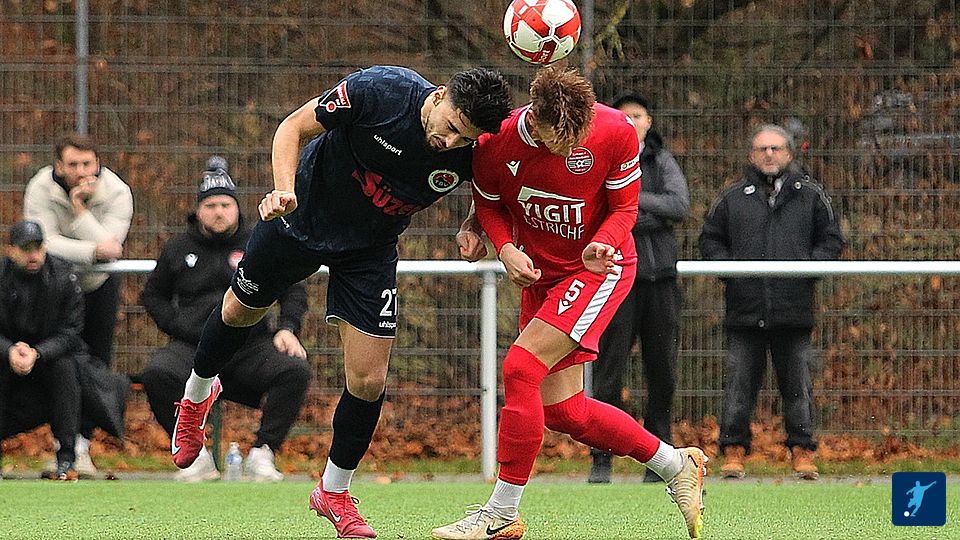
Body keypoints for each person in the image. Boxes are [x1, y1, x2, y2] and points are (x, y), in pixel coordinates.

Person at [168, 66, 512, 537]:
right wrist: (284, 188)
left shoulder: (475, 146)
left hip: (368, 250)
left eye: (463, 138)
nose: (450, 142)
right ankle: (196, 396)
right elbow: (293, 127)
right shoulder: (381, 92)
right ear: (439, 96)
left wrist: (472, 225)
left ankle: (333, 491)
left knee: (369, 379)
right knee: (237, 311)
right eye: (451, 126)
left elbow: (491, 189)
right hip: (298, 220)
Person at [433, 67, 707, 540]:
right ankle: (675, 464)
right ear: (535, 120)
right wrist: (504, 248)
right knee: (565, 412)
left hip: (598, 268)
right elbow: (490, 204)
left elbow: (625, 208)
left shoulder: (616, 130)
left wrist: (603, 243)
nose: (571, 150)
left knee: (520, 367)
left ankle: (500, 513)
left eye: (578, 140)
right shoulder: (493, 143)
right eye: (559, 141)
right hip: (542, 275)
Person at [140, 159, 310, 482]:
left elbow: (292, 288)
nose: (219, 212)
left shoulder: (258, 241)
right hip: (193, 348)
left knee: (294, 370)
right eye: (211, 206)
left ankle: (263, 453)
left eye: (225, 205)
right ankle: (196, 457)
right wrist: (178, 326)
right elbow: (153, 296)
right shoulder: (178, 247)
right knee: (157, 373)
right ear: (198, 210)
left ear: (236, 208)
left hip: (250, 346)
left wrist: (287, 328)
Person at [699, 124, 844, 481]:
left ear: (789, 154)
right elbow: (710, 240)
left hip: (793, 310)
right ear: (752, 155)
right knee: (739, 387)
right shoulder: (733, 197)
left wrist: (807, 270)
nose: (769, 154)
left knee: (797, 387)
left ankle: (802, 452)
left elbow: (830, 240)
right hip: (744, 310)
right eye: (762, 149)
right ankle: (733, 451)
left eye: (775, 148)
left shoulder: (810, 195)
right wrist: (731, 273)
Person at [588, 94, 690, 484]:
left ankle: (658, 458)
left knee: (661, 370)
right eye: (624, 115)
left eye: (637, 115)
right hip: (615, 281)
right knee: (608, 370)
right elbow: (599, 208)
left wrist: (630, 204)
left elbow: (678, 206)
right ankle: (602, 457)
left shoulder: (661, 161)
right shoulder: (602, 157)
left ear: (649, 121)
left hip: (659, 281)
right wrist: (641, 213)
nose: (630, 121)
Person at [23, 133, 134, 475]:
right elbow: (43, 245)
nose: (81, 171)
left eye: (87, 163)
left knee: (95, 366)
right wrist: (91, 252)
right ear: (58, 166)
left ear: (97, 163)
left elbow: (111, 248)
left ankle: (81, 446)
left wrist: (79, 210)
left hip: (97, 287)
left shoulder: (117, 192)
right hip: (51, 289)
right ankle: (61, 444)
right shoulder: (40, 187)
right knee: (56, 362)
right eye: (73, 164)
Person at [0, 220, 83, 481]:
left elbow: (71, 331)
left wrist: (38, 353)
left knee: (66, 369)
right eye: (26, 249)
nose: (33, 255)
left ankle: (67, 458)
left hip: (50, 358)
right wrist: (9, 350)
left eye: (38, 248)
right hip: (5, 358)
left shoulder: (63, 276)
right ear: (11, 250)